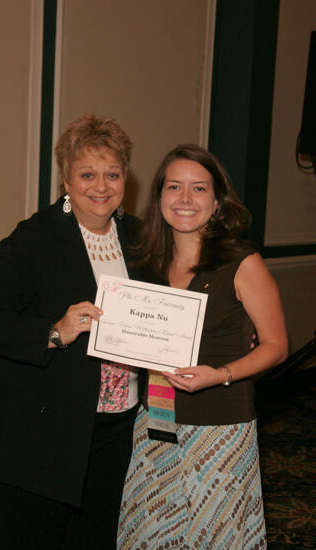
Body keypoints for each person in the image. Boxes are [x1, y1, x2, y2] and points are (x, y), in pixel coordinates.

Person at [0, 113, 145, 550]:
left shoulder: (139, 238)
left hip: (116, 430)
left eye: (112, 174)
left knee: (95, 541)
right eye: (87, 174)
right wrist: (53, 331)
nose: (100, 186)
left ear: (125, 179)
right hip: (42, 434)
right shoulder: (36, 238)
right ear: (66, 179)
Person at [117, 144, 288, 549]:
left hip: (219, 430)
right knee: (149, 536)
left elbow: (276, 345)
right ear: (159, 198)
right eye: (174, 187)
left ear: (217, 200)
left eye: (199, 188)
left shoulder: (242, 263)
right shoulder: (147, 264)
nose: (186, 199)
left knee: (214, 537)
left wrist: (221, 373)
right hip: (154, 425)